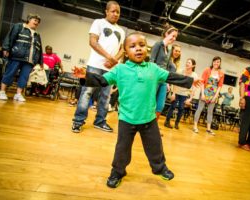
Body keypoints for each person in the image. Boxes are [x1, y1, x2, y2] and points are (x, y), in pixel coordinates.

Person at [85, 32, 201, 188]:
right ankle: (117, 172)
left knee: (155, 146)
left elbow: (171, 77)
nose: (138, 49)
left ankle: (160, 168)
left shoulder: (153, 68)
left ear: (147, 48)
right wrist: (84, 77)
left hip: (148, 118)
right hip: (126, 118)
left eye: (141, 45)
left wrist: (192, 80)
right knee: (122, 149)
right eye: (132, 46)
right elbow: (102, 80)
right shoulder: (120, 70)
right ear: (126, 52)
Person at [71, 1, 125, 133]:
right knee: (87, 93)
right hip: (95, 65)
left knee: (105, 96)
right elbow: (93, 42)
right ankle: (78, 121)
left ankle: (100, 121)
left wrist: (114, 61)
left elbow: (123, 50)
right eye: (113, 11)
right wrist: (109, 57)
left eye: (118, 12)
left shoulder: (121, 31)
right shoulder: (98, 22)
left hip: (110, 68)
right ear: (106, 11)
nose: (116, 14)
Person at [0, 13, 43, 102]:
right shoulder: (19, 26)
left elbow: (39, 48)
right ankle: (2, 91)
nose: (36, 22)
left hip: (30, 60)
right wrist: (6, 48)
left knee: (24, 77)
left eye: (38, 21)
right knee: (10, 73)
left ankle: (18, 94)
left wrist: (40, 61)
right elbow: (10, 37)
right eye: (35, 20)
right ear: (29, 19)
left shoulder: (37, 34)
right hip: (17, 56)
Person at [150, 25, 178, 120]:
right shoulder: (158, 45)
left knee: (160, 106)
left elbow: (166, 66)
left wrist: (168, 82)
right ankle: (144, 125)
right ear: (166, 34)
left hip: (163, 80)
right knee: (150, 103)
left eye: (175, 37)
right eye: (173, 36)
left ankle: (153, 128)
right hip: (155, 78)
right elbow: (151, 62)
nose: (174, 39)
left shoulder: (169, 49)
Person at [193, 56, 225, 135]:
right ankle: (195, 126)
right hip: (204, 92)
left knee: (210, 112)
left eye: (218, 62)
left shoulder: (221, 73)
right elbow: (202, 82)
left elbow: (220, 86)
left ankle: (208, 129)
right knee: (199, 109)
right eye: (214, 61)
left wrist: (215, 96)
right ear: (212, 62)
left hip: (213, 95)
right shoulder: (207, 70)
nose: (216, 63)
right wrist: (203, 94)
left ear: (220, 63)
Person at [164, 58, 198, 129]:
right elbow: (175, 82)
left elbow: (194, 88)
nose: (187, 63)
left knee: (181, 108)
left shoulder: (194, 75)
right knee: (172, 106)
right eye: (187, 62)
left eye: (189, 63)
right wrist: (173, 93)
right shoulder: (180, 71)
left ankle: (177, 123)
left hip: (184, 94)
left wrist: (190, 98)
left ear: (193, 65)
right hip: (176, 92)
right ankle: (167, 121)